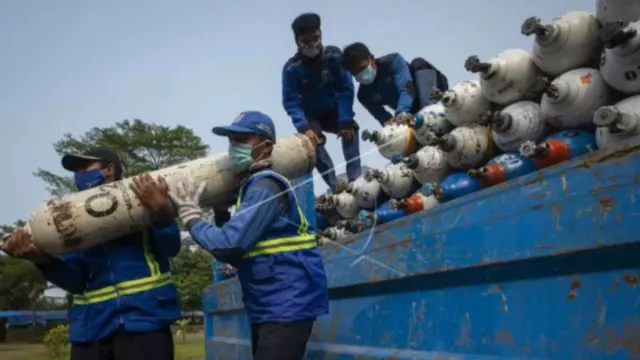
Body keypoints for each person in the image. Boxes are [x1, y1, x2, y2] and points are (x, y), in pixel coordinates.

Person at [168, 111, 329, 360]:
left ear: (265, 146)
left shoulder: (265, 187)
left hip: (286, 304)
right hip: (272, 305)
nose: (234, 146)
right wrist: (222, 214)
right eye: (231, 140)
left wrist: (192, 218)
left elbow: (230, 245)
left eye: (242, 140)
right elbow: (247, 247)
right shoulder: (252, 188)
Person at [0, 147, 182, 360]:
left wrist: (162, 214)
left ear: (109, 170)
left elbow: (170, 248)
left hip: (144, 322)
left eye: (86, 167)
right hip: (91, 330)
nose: (80, 173)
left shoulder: (142, 199)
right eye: (77, 170)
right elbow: (76, 282)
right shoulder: (71, 218)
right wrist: (42, 261)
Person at [282, 12, 361, 190]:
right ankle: (335, 186)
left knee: (352, 130)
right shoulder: (291, 69)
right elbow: (291, 102)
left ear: (320, 34)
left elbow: (345, 87)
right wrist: (304, 127)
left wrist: (345, 119)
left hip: (333, 109)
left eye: (315, 38)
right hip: (311, 116)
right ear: (297, 42)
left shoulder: (333, 55)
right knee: (311, 144)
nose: (312, 44)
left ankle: (356, 179)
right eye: (306, 41)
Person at [341, 42, 450, 126]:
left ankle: (430, 114)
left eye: (363, 68)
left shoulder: (393, 62)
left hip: (433, 91)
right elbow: (384, 119)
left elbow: (407, 89)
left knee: (418, 63)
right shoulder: (364, 95)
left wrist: (401, 112)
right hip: (411, 112)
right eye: (356, 73)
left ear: (372, 59)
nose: (361, 75)